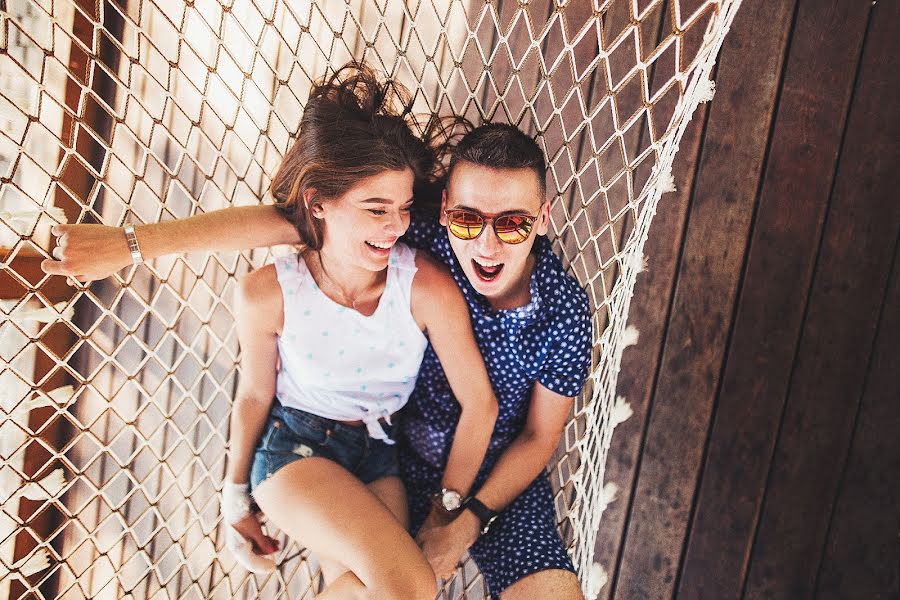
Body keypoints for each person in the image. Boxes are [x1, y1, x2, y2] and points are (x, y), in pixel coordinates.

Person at [44, 123, 592, 599]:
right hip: (385, 453)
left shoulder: (563, 311)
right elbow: (285, 221)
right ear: (447, 208)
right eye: (470, 219)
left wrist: (461, 520)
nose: (488, 244)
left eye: (513, 223)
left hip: (493, 481)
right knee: (400, 585)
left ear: (542, 219)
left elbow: (538, 438)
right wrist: (131, 243)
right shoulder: (414, 232)